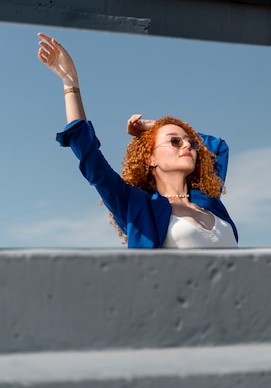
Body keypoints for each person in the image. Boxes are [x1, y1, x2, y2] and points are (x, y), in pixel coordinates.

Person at [37, 33, 238, 249]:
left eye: (190, 142)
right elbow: (89, 156)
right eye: (175, 142)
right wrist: (70, 83)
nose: (188, 145)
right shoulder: (138, 206)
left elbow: (218, 147)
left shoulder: (208, 200)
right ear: (150, 158)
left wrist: (157, 125)